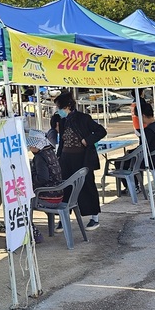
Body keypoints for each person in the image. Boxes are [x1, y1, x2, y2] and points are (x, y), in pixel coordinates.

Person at [53, 91, 106, 229]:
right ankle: (63, 218)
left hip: (83, 159)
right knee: (65, 187)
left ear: (68, 106)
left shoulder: (84, 118)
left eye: (60, 108)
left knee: (87, 186)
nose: (59, 111)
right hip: (66, 159)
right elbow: (62, 141)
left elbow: (101, 131)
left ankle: (94, 217)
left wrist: (87, 140)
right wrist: (58, 157)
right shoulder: (63, 120)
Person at [114, 101, 155, 193]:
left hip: (149, 160)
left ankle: (133, 187)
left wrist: (130, 152)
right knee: (129, 157)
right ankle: (135, 185)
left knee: (120, 162)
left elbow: (141, 149)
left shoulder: (148, 131)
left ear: (143, 116)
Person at [27, 129, 62, 244]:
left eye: (31, 146)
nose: (30, 149)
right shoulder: (50, 151)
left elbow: (42, 179)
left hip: (50, 198)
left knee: (23, 202)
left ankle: (33, 231)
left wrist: (30, 182)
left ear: (37, 144)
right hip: (58, 194)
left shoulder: (40, 157)